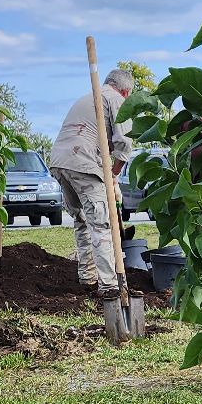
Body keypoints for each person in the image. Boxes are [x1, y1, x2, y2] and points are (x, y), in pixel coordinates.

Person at [50, 67, 134, 298]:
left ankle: (87, 275)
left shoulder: (89, 97)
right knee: (101, 223)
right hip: (83, 162)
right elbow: (124, 143)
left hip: (59, 161)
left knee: (81, 220)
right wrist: (115, 173)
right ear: (126, 92)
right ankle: (109, 286)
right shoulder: (115, 98)